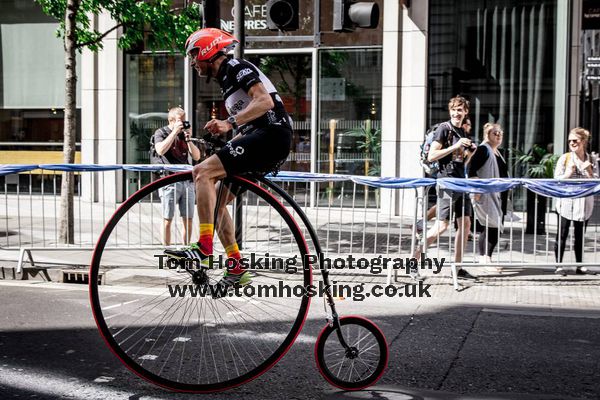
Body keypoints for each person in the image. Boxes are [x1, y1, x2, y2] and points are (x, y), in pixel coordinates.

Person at [164, 28, 293, 290]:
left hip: (272, 136)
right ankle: (236, 267)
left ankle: (204, 247)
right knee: (216, 203)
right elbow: (249, 126)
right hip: (263, 137)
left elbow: (264, 102)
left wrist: (228, 122)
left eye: (193, 56)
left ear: (207, 52)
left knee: (202, 172)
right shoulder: (227, 79)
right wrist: (226, 141)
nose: (192, 63)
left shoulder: (236, 67)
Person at [413, 96, 477, 280]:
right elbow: (433, 155)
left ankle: (457, 268)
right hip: (447, 183)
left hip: (460, 182)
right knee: (441, 226)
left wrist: (469, 152)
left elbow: (461, 162)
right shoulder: (444, 128)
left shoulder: (462, 131)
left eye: (460, 110)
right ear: (450, 111)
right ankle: (413, 261)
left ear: (466, 112)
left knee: (465, 225)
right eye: (454, 110)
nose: (457, 113)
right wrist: (456, 145)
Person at [153, 107, 202, 246]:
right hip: (169, 181)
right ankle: (167, 251)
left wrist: (188, 140)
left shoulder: (183, 135)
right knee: (167, 219)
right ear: (171, 120)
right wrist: (174, 132)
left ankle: (185, 249)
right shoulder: (161, 132)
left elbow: (197, 156)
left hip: (187, 181)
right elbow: (160, 150)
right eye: (181, 120)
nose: (184, 123)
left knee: (188, 219)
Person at [553, 127, 598, 276]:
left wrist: (590, 171)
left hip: (584, 202)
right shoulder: (564, 158)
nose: (572, 143)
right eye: (570, 141)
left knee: (580, 235)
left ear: (583, 141)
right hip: (566, 201)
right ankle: (559, 265)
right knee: (562, 233)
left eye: (575, 140)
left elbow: (596, 181)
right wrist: (568, 174)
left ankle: (579, 265)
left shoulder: (591, 159)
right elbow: (556, 179)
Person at [468, 123, 509, 272]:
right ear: (487, 135)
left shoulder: (496, 151)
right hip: (487, 195)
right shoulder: (483, 149)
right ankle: (484, 259)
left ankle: (487, 259)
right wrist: (477, 190)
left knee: (493, 228)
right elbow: (471, 170)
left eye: (500, 133)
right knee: (492, 227)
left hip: (498, 196)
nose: (498, 136)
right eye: (495, 133)